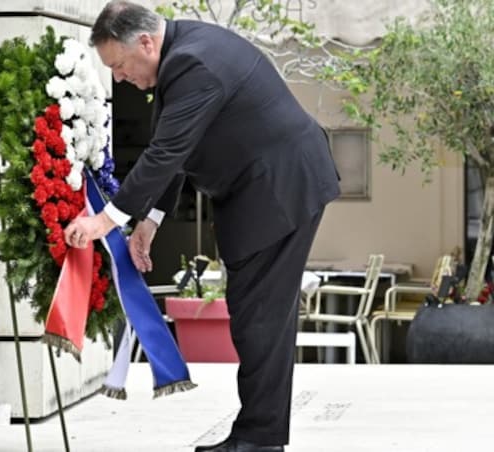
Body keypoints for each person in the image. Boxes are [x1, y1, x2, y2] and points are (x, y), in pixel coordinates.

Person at [63, 1, 340, 451]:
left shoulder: (193, 63)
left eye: (119, 65)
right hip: (274, 187)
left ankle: (259, 439)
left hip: (280, 189)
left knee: (259, 317)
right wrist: (150, 221)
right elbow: (176, 149)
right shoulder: (184, 52)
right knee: (259, 315)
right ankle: (261, 434)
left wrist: (105, 219)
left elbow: (166, 153)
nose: (119, 77)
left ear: (146, 43)